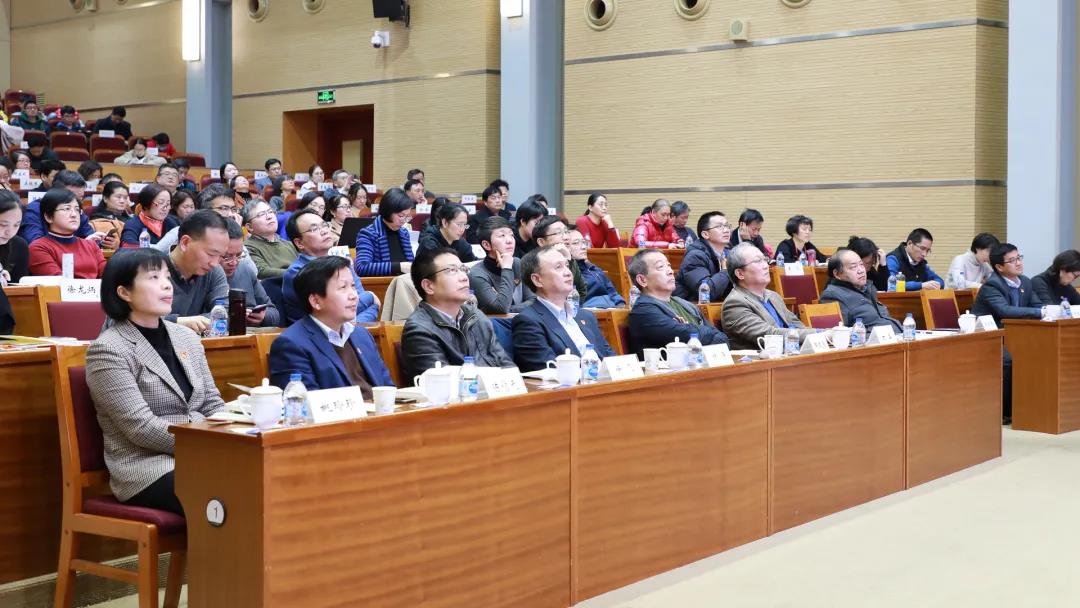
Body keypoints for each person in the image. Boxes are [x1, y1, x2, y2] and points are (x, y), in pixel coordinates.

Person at [87, 248, 225, 515]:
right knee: (229, 487)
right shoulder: (109, 349)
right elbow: (141, 427)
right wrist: (207, 443)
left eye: (167, 277)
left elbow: (211, 403)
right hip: (147, 467)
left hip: (202, 451)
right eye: (153, 277)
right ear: (124, 292)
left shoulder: (187, 338)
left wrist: (233, 437)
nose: (166, 285)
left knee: (263, 474)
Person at [269, 255, 392, 392]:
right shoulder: (292, 345)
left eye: (353, 286)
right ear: (316, 301)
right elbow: (305, 401)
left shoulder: (362, 335)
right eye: (343, 287)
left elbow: (388, 389)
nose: (354, 295)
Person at [401, 247, 514, 380]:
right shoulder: (419, 329)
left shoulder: (476, 316)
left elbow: (507, 365)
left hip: (495, 389)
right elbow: (440, 382)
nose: (464, 277)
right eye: (452, 270)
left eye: (463, 269)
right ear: (429, 286)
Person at [972, 243, 1047, 425]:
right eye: (1012, 260)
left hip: (1015, 336)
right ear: (999, 267)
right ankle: (1006, 411)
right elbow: (1005, 311)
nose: (1019, 263)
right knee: (1009, 359)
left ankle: (1032, 406)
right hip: (989, 338)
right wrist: (1041, 313)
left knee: (1042, 352)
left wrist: (1047, 311)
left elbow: (1037, 306)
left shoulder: (1025, 282)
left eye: (1019, 258)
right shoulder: (992, 285)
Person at [511, 245, 615, 372]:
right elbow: (549, 370)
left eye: (566, 265)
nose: (568, 272)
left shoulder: (586, 316)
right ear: (537, 280)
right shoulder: (528, 322)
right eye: (558, 267)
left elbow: (610, 359)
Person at [282, 209, 378, 324]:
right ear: (299, 243)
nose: (324, 231)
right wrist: (371, 297)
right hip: (312, 333)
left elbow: (361, 300)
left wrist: (368, 306)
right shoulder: (297, 272)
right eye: (314, 229)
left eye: (324, 225)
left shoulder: (341, 263)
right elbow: (333, 313)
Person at [626, 249, 728, 355]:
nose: (670, 271)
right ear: (642, 280)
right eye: (660, 267)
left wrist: (695, 330)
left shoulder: (686, 305)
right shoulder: (643, 311)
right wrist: (700, 332)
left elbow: (722, 339)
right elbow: (687, 335)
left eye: (669, 265)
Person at [721, 242, 814, 351]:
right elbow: (770, 335)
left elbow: (797, 325)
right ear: (740, 274)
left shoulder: (773, 296)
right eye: (757, 261)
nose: (766, 266)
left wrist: (823, 334)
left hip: (792, 354)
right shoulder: (735, 303)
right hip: (763, 359)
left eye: (765, 259)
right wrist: (819, 334)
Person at [28, 188, 107, 278]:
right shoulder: (38, 247)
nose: (74, 214)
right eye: (67, 209)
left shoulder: (91, 245)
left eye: (77, 209)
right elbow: (59, 283)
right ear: (49, 217)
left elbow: (108, 276)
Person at [818, 248, 901, 332]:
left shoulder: (866, 289)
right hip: (875, 339)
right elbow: (838, 334)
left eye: (861, 264)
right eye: (853, 267)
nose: (861, 270)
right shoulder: (832, 295)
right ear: (837, 274)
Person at [221, 219, 279, 327]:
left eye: (239, 255)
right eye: (226, 257)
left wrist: (263, 317)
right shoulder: (205, 275)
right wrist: (235, 316)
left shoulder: (245, 270)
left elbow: (274, 313)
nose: (234, 262)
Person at [468, 216, 532, 314]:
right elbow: (500, 309)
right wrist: (506, 268)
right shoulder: (476, 274)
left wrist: (511, 309)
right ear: (486, 245)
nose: (510, 240)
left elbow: (534, 300)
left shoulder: (517, 263)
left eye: (511, 235)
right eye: (502, 236)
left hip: (523, 320)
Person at [153, 184, 241, 252]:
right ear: (205, 211)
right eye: (224, 208)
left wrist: (236, 234)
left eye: (233, 209)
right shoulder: (180, 232)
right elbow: (154, 254)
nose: (231, 214)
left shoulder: (237, 231)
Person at [20, 171, 97, 244]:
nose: (76, 201)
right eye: (72, 196)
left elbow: (93, 238)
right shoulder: (34, 209)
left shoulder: (77, 211)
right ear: (55, 192)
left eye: (80, 197)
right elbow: (34, 241)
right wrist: (81, 245)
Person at [354, 187, 414, 276]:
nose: (404, 221)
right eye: (401, 216)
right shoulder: (368, 234)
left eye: (407, 216)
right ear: (388, 211)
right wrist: (399, 266)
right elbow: (362, 267)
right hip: (383, 283)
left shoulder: (404, 233)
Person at [674, 211, 731, 303]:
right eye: (719, 226)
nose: (726, 230)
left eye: (727, 226)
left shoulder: (728, 254)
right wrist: (725, 271)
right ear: (705, 234)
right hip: (691, 308)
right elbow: (706, 293)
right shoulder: (695, 257)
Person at [532, 216, 588, 300]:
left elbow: (582, 292)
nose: (566, 237)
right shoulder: (534, 264)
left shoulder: (568, 258)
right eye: (558, 233)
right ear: (541, 242)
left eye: (566, 232)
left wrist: (568, 260)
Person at [568, 229, 625, 308]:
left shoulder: (593, 268)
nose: (584, 247)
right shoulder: (569, 272)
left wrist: (621, 304)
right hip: (591, 310)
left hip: (612, 308)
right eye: (576, 243)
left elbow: (612, 291)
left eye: (583, 242)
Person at [242, 198, 297, 279]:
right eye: (261, 214)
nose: (269, 217)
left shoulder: (289, 244)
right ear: (249, 227)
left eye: (270, 212)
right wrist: (299, 274)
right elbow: (262, 272)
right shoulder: (248, 247)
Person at [89, 181, 132, 250]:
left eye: (125, 198)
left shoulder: (131, 219)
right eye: (118, 197)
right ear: (105, 198)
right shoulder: (98, 220)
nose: (122, 201)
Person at [0, 191, 29, 285]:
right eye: (3, 225)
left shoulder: (19, 245)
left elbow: (20, 287)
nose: (10, 232)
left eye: (16, 225)